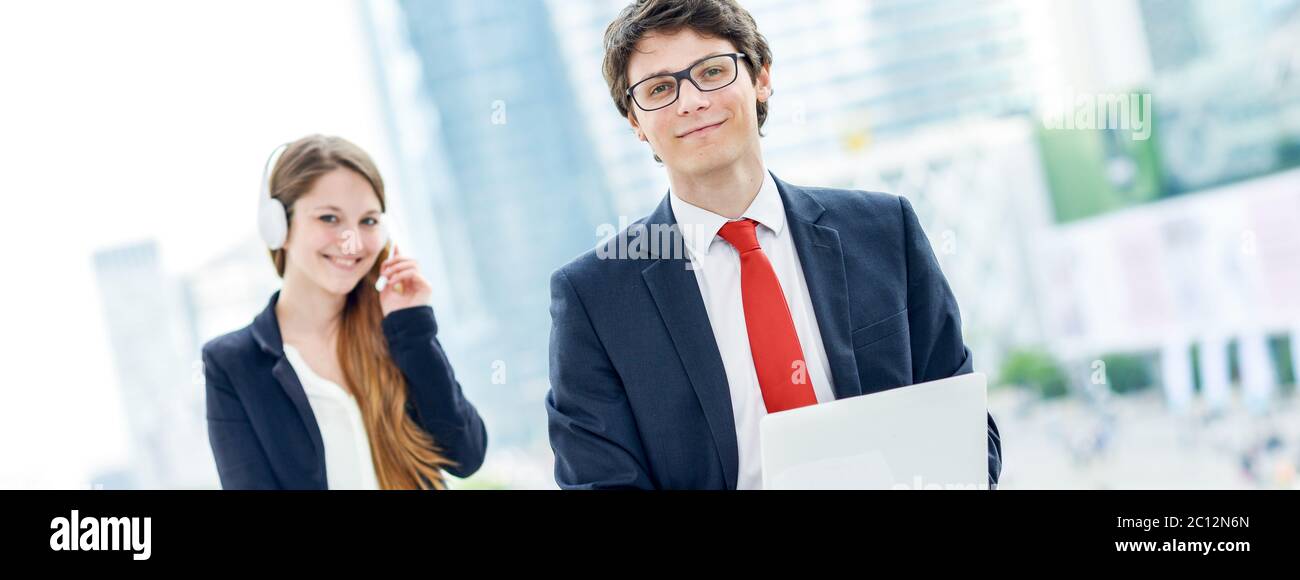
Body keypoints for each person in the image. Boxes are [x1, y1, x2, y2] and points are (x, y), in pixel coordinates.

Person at [545, 0, 1001, 489]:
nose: (691, 101)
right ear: (635, 122)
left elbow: (967, 430)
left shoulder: (884, 229)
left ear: (761, 77)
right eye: (659, 88)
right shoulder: (593, 299)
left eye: (712, 71)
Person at [202, 134, 487, 489]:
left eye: (368, 221)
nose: (351, 240)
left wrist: (413, 330)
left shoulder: (395, 332)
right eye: (329, 218)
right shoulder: (233, 363)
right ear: (279, 227)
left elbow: (466, 455)